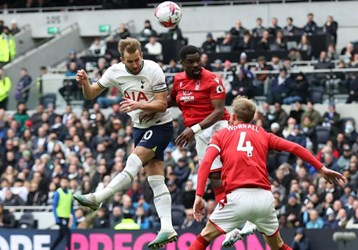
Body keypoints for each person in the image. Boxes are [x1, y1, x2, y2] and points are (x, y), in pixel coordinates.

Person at [189, 97, 346, 250]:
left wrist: (199, 196)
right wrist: (321, 168)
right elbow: (295, 148)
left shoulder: (221, 135)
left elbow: (206, 163)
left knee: (204, 237)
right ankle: (249, 225)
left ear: (233, 116)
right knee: (278, 246)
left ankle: (242, 227)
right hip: (264, 199)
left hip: (236, 197)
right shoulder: (263, 133)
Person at [74, 37, 177, 249]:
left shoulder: (153, 69)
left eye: (137, 59)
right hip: (139, 128)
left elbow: (163, 104)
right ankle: (167, 228)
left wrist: (139, 105)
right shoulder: (114, 72)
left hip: (160, 126)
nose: (135, 64)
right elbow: (92, 94)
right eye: (130, 61)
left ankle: (98, 197)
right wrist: (85, 82)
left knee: (132, 161)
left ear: (141, 55)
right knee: (156, 180)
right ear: (122, 59)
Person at [168, 45, 254, 244]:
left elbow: (218, 111)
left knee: (230, 174)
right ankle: (232, 227)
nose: (197, 64)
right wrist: (147, 107)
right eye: (191, 61)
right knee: (215, 178)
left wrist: (193, 129)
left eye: (198, 59)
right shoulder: (179, 80)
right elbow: (173, 100)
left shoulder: (213, 79)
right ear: (183, 63)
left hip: (219, 128)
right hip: (199, 134)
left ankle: (250, 217)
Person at [51, 176, 75, 250]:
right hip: (61, 217)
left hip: (67, 217)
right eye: (63, 182)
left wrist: (74, 216)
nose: (64, 184)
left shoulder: (70, 193)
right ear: (61, 183)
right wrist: (56, 218)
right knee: (68, 235)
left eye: (66, 182)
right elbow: (54, 206)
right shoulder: (58, 192)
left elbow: (71, 206)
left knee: (61, 236)